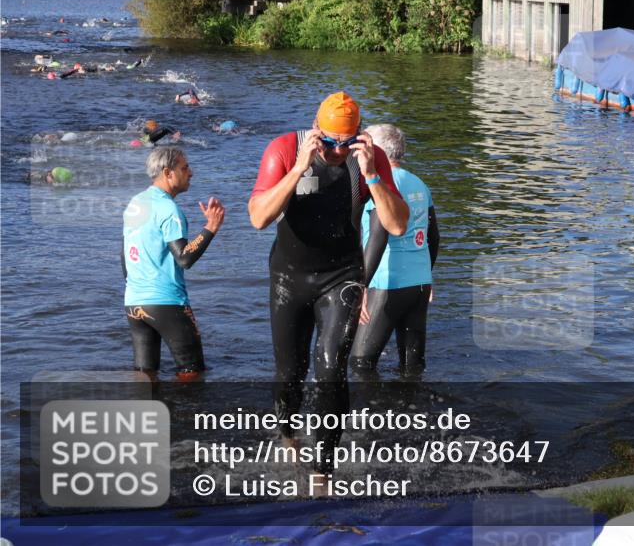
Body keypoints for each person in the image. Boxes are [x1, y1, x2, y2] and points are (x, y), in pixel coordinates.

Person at [248, 92, 408, 479]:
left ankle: (323, 471)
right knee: (290, 371)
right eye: (332, 142)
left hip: (342, 276)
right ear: (317, 129)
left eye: (346, 142)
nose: (338, 151)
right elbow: (258, 218)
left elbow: (398, 224)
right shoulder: (284, 149)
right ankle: (288, 436)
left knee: (331, 367)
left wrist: (372, 174)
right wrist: (299, 168)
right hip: (289, 278)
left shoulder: (369, 158)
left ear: (358, 134)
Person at [123, 147, 225, 381]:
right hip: (166, 303)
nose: (191, 173)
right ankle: (188, 417)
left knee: (145, 376)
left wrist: (138, 287)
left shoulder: (135, 203)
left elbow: (124, 255)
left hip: (133, 302)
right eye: (185, 168)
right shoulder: (169, 209)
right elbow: (184, 257)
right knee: (193, 373)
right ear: (168, 173)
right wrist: (211, 227)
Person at [351, 124, 439, 376]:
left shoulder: (380, 185)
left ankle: (372, 414)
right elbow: (434, 236)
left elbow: (378, 238)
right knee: (412, 366)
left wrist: (361, 288)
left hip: (387, 283)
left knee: (360, 363)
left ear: (377, 150)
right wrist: (428, 276)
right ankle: (413, 410)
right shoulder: (419, 183)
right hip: (419, 284)